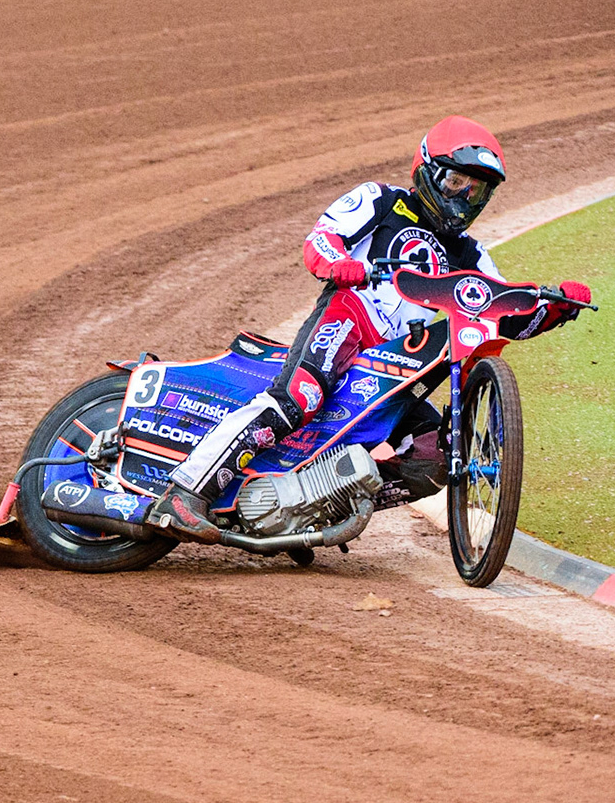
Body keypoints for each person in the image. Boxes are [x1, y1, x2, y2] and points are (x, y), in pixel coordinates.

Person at [147, 116, 591, 542]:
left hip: (400, 361)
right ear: (427, 172)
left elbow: (502, 312)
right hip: (349, 315)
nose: (464, 199)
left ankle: (309, 509)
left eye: (478, 192)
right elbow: (321, 237)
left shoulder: (471, 254)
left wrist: (556, 309)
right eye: (457, 183)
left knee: (435, 456)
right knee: (297, 398)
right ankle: (184, 492)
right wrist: (338, 264)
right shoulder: (380, 199)